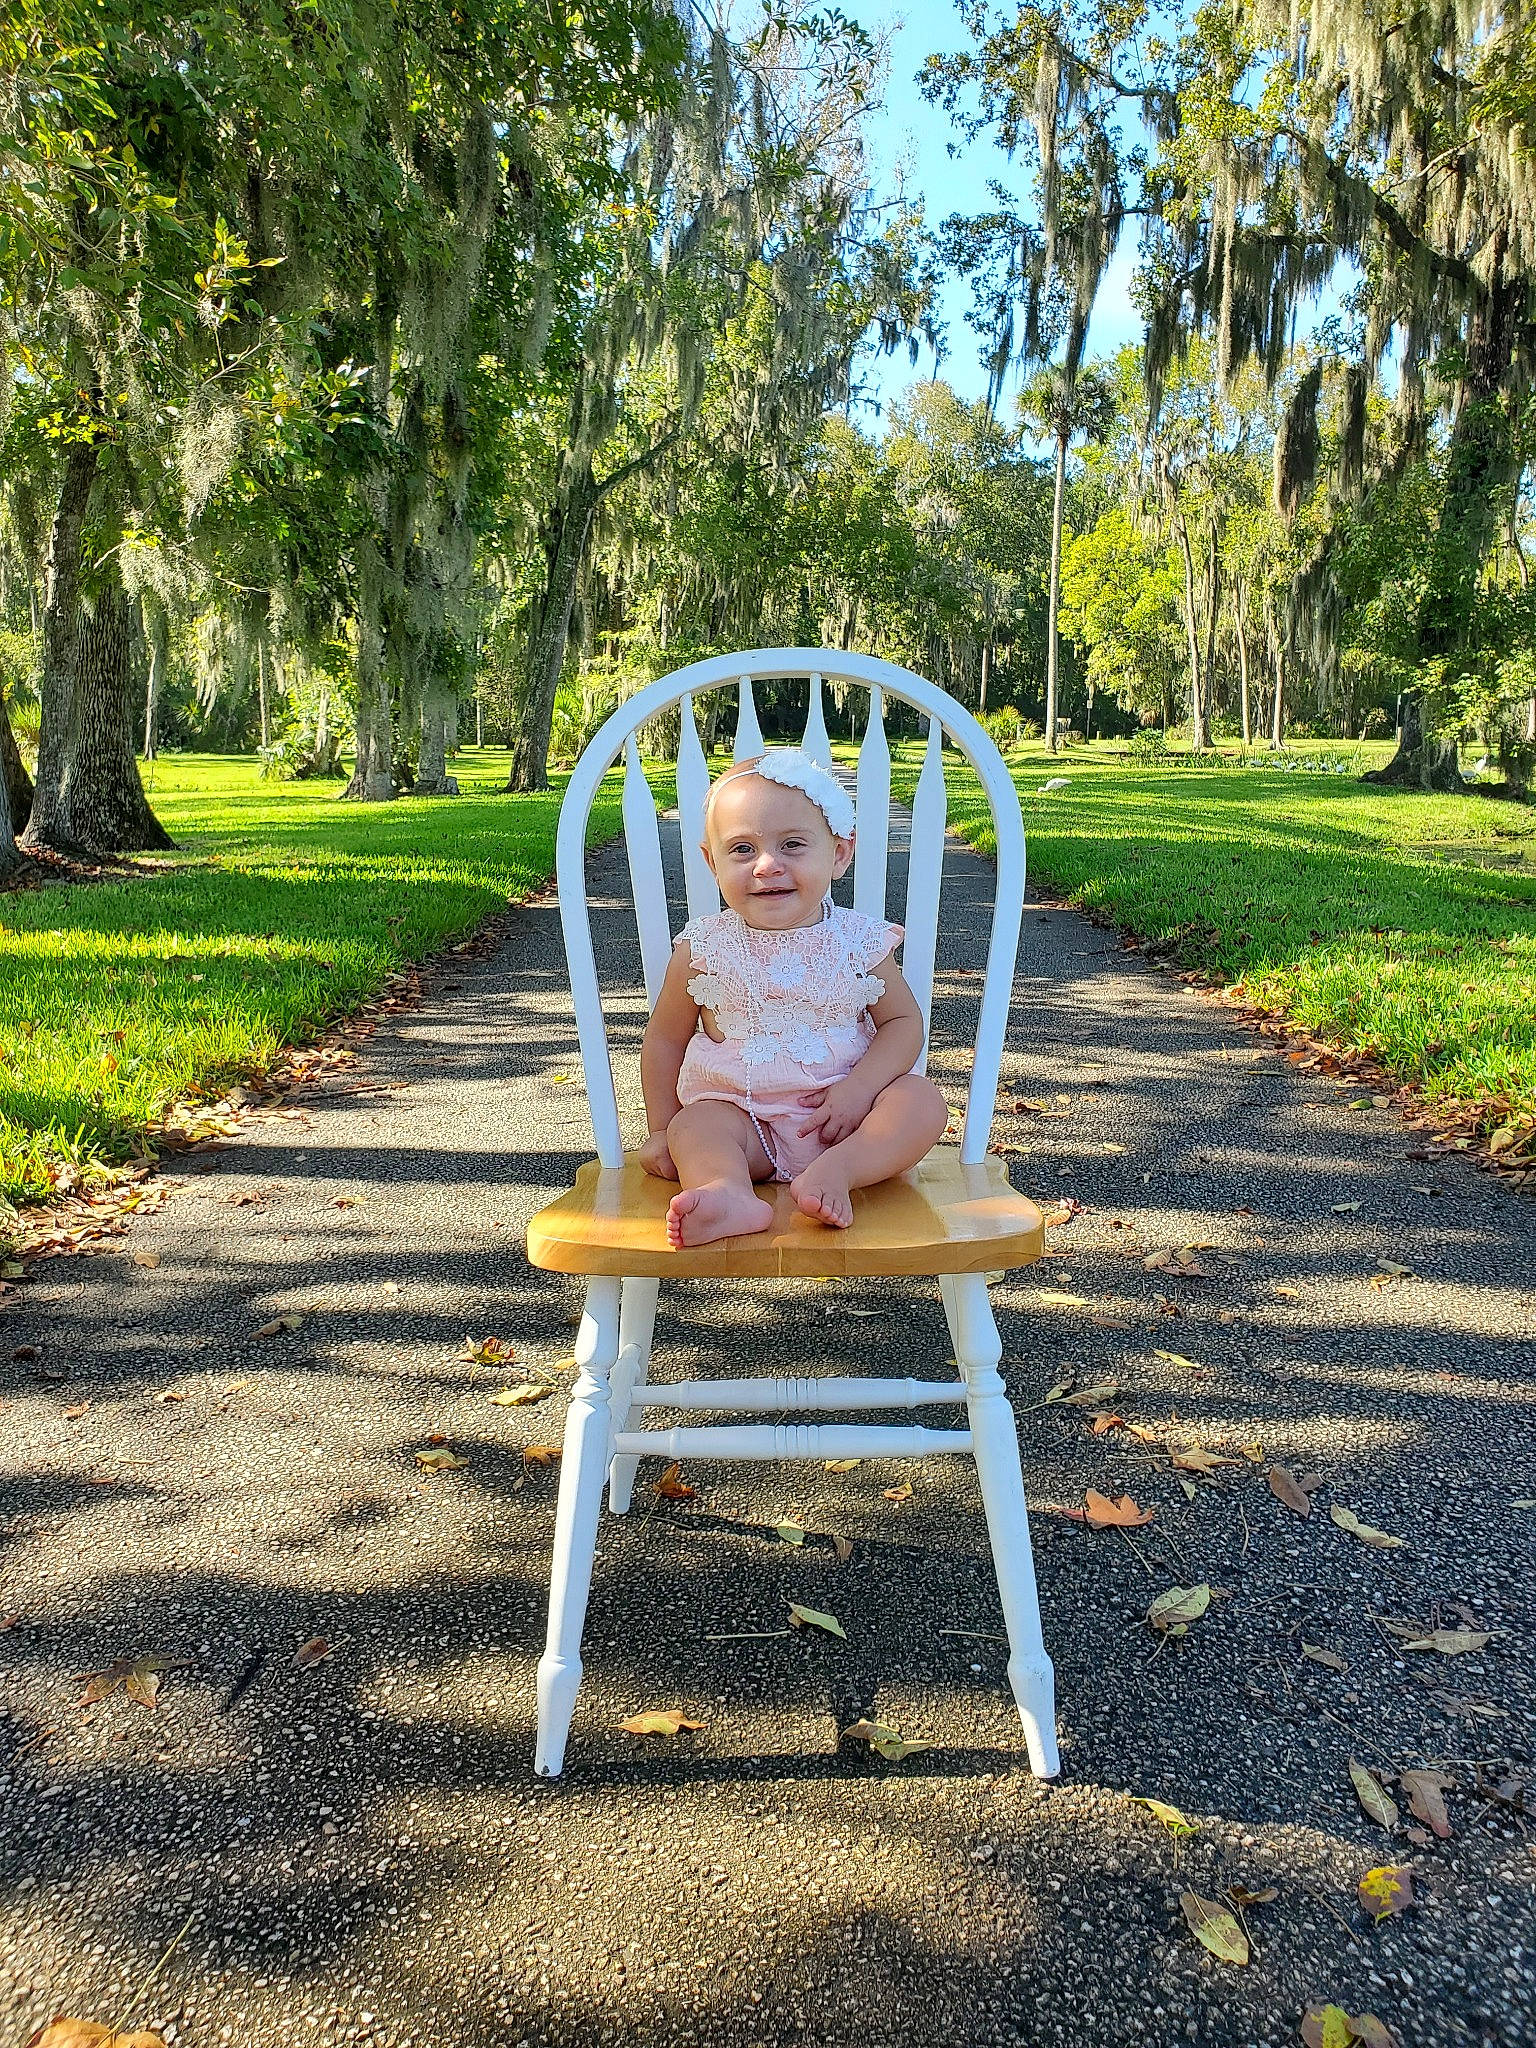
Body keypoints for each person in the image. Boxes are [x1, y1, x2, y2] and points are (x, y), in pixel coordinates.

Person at [638, 747, 950, 1248]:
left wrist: (860, 1091)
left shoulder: (860, 943)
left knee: (922, 1102)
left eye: (793, 845)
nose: (766, 866)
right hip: (745, 1129)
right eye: (741, 849)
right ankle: (727, 1191)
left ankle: (835, 1175)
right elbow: (663, 1043)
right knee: (697, 1124)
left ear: (839, 854)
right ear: (710, 861)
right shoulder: (702, 948)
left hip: (848, 1124)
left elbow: (903, 1024)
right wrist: (660, 1129)